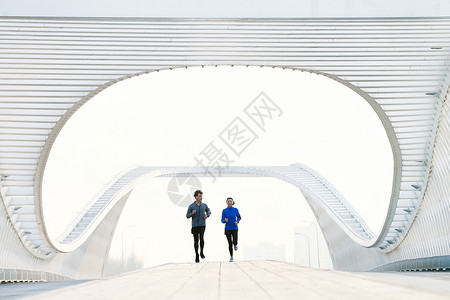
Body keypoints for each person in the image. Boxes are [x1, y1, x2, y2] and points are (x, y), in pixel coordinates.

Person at [186, 190, 211, 263]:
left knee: (202, 238)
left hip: (202, 225)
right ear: (196, 197)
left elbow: (209, 211)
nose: (201, 197)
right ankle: (196, 255)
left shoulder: (204, 205)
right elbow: (187, 216)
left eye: (201, 196)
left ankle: (201, 252)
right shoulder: (191, 206)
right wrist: (192, 213)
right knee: (196, 241)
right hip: (194, 226)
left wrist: (207, 215)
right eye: (200, 196)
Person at [221, 197, 241, 262]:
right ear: (226, 202)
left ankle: (235, 244)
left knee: (234, 241)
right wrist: (225, 221)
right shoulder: (224, 211)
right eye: (228, 201)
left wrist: (237, 221)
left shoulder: (235, 209)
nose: (229, 202)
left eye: (230, 201)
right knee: (229, 243)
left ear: (232, 202)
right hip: (227, 229)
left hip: (234, 228)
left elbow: (239, 217)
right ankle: (231, 256)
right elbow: (222, 220)